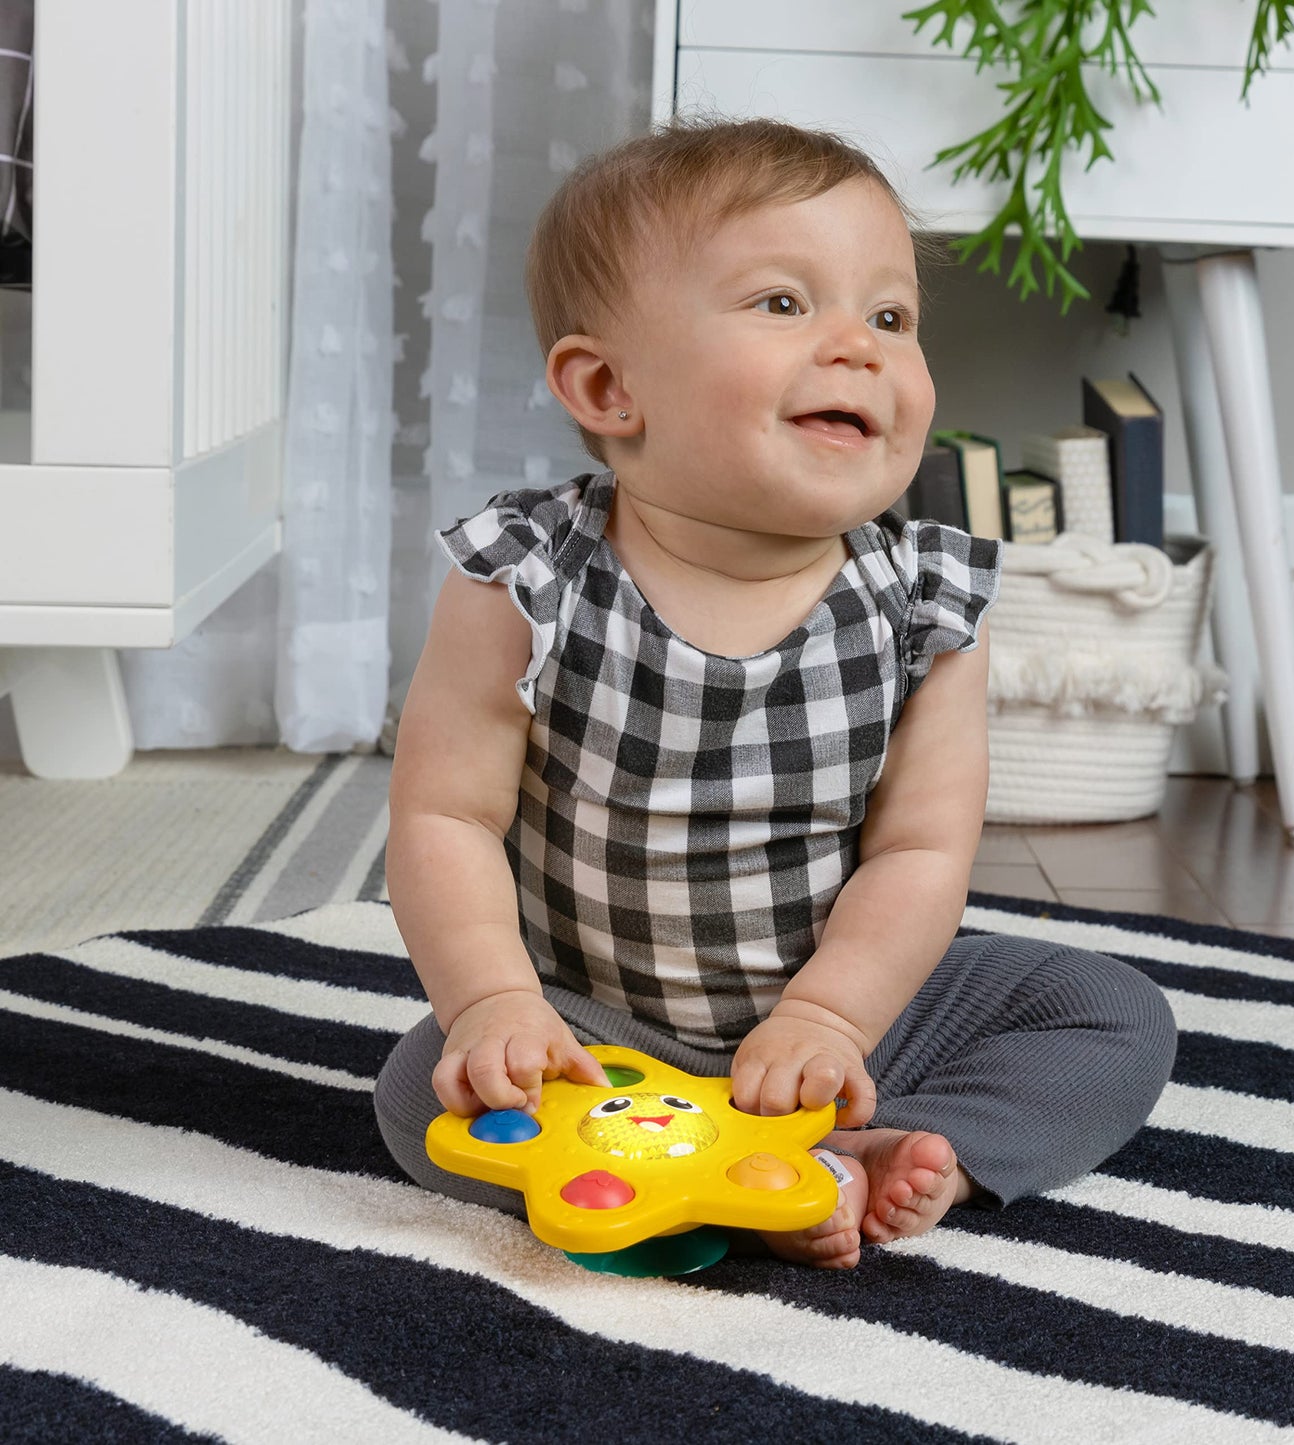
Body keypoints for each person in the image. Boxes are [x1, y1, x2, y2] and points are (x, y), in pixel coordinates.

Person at [375, 117, 1176, 1269]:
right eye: (783, 304)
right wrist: (496, 1001)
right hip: (597, 1026)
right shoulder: (528, 574)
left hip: (847, 1021)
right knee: (422, 1092)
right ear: (607, 385)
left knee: (1111, 1013)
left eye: (889, 317)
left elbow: (918, 853)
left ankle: (893, 1149)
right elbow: (445, 815)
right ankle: (754, 1181)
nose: (858, 345)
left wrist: (829, 1018)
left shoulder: (924, 599)